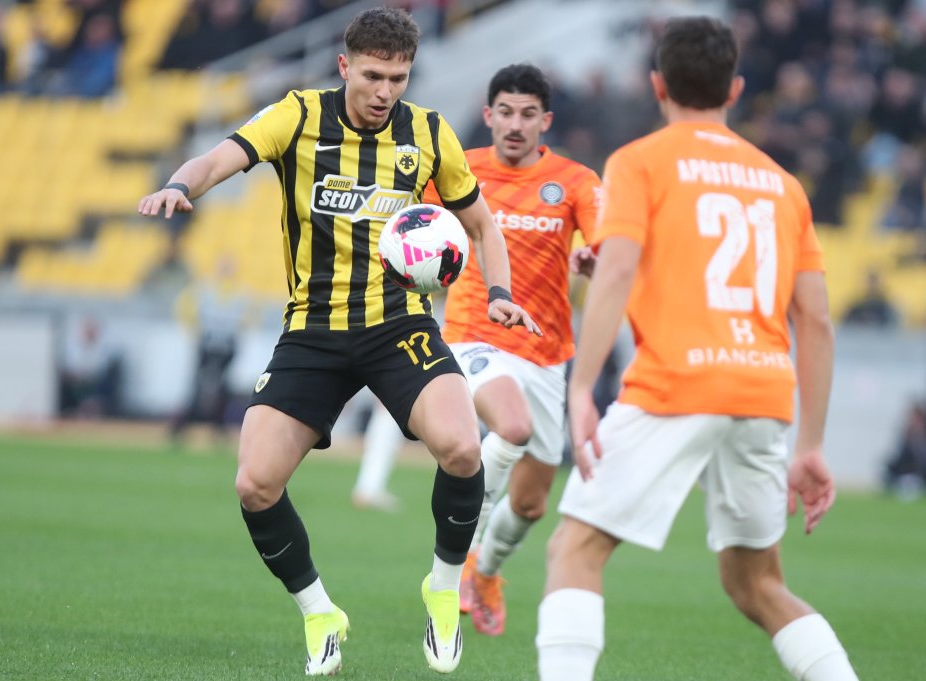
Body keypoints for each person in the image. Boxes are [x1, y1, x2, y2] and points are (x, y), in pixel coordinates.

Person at [137, 7, 539, 676]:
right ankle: (320, 611)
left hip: (398, 324)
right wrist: (181, 186)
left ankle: (443, 588)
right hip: (314, 330)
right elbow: (218, 158)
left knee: (463, 447)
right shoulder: (297, 116)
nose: (385, 92)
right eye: (374, 76)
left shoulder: (428, 132)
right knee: (255, 483)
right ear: (345, 65)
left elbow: (482, 225)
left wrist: (499, 291)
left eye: (398, 79)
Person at [537, 17, 860, 681]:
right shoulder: (782, 184)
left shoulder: (640, 161)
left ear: (658, 85)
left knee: (575, 549)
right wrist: (810, 445)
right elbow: (816, 320)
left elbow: (617, 270)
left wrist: (581, 387)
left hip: (677, 383)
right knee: (757, 583)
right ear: (735, 89)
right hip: (763, 392)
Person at [422, 64, 601, 637]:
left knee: (529, 506)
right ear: (489, 116)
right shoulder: (460, 170)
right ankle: (463, 553)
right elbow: (412, 221)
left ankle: (488, 572)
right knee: (513, 426)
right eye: (506, 112)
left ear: (545, 120)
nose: (516, 124)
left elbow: (605, 241)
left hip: (545, 351)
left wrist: (592, 256)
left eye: (528, 114)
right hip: (473, 333)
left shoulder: (575, 181)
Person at [168, 255, 248, 444]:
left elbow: (246, 319)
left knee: (219, 388)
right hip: (208, 345)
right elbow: (183, 306)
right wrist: (193, 330)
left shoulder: (237, 292)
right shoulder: (207, 290)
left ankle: (215, 427)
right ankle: (185, 427)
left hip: (224, 348)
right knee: (199, 386)